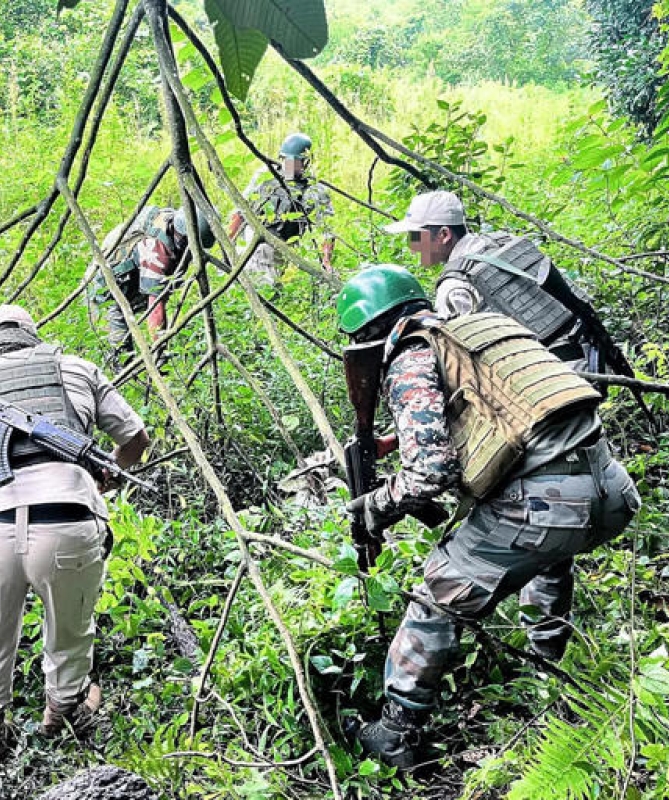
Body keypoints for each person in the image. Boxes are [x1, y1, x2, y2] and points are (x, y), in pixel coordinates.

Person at [334, 265, 640, 769]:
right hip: (609, 493)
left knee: (437, 599)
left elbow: (430, 473)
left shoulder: (412, 359)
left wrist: (376, 506)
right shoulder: (485, 328)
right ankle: (549, 678)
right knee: (549, 557)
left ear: (367, 332)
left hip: (545, 508)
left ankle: (394, 735)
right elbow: (509, 411)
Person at [0, 304, 150, 759]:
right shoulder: (77, 368)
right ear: (33, 334)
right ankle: (63, 712)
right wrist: (106, 476)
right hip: (66, 516)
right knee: (71, 628)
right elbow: (136, 439)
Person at [383, 190, 597, 367]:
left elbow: (465, 361)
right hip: (591, 352)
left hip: (554, 379)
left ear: (444, 235)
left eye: (415, 237)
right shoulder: (504, 243)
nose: (412, 248)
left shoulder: (455, 284)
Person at [89, 205, 214, 360]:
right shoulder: (157, 250)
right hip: (106, 293)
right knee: (120, 355)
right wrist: (160, 350)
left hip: (128, 288)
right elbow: (156, 309)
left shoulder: (172, 222)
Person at [227, 132, 335, 286]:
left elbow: (326, 231)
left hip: (274, 253)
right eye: (286, 161)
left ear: (306, 162)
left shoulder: (315, 190)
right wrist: (228, 244)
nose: (290, 166)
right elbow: (240, 211)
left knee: (266, 293)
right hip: (247, 245)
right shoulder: (265, 175)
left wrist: (326, 261)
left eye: (295, 162)